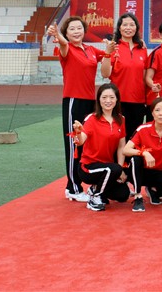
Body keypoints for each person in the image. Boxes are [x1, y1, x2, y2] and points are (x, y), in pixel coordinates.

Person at [48, 16, 114, 202]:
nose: (76, 32)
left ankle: (89, 183)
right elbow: (63, 44)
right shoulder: (66, 49)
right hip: (73, 101)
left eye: (79, 28)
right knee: (73, 144)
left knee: (87, 144)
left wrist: (110, 49)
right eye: (72, 29)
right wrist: (58, 35)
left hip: (90, 103)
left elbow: (108, 56)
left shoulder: (90, 50)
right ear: (66, 33)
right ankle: (73, 187)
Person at [71, 82, 128, 211]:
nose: (108, 101)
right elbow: (81, 141)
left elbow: (121, 146)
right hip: (88, 167)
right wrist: (78, 133)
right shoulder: (91, 119)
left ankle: (95, 189)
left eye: (112, 97)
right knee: (113, 169)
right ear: (99, 99)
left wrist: (120, 170)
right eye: (104, 97)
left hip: (108, 168)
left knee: (123, 195)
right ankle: (95, 197)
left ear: (117, 99)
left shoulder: (121, 119)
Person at [122, 96, 162, 212]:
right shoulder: (143, 129)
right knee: (136, 159)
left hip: (157, 172)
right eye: (157, 110)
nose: (161, 113)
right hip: (139, 171)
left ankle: (153, 190)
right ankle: (137, 196)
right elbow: (125, 150)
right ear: (152, 113)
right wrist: (144, 153)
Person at [110, 13, 149, 138]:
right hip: (118, 101)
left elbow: (144, 77)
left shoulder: (142, 49)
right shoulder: (114, 48)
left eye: (132, 25)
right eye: (125, 25)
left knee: (134, 137)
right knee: (117, 137)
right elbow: (106, 73)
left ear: (136, 28)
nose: (128, 28)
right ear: (119, 28)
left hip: (138, 101)